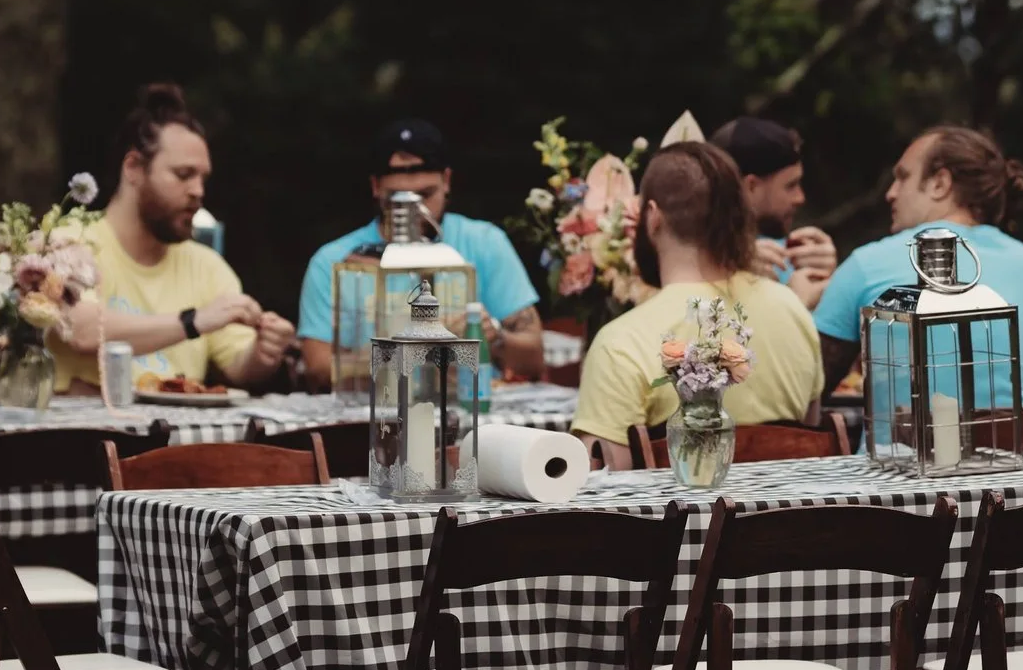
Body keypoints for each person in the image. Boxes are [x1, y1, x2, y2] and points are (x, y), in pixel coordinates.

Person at [571, 142, 822, 471]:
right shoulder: (794, 311)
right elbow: (813, 449)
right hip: (790, 522)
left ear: (652, 217)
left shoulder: (620, 343)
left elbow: (601, 492)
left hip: (681, 523)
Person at [60, 84, 294, 391]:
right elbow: (82, 330)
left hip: (179, 439)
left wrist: (263, 354)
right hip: (90, 436)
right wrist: (192, 321)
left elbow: (237, 366)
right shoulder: (69, 243)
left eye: (202, 178)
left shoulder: (207, 266)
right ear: (133, 168)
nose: (198, 191)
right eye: (184, 175)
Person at [813, 127, 1023, 408]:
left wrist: (795, 299)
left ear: (939, 183)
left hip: (908, 449)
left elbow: (808, 395)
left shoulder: (867, 264)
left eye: (902, 177)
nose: (890, 193)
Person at [297, 118, 545, 383]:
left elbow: (534, 358)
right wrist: (415, 345)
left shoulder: (485, 243)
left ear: (447, 181)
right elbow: (317, 366)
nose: (414, 212)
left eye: (425, 195)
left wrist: (492, 335)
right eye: (397, 198)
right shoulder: (334, 261)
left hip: (467, 407)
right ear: (375, 187)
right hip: (377, 408)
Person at [709, 115, 838, 310]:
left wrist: (838, 281)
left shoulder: (791, 255)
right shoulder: (694, 260)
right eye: (790, 186)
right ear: (750, 187)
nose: (800, 198)